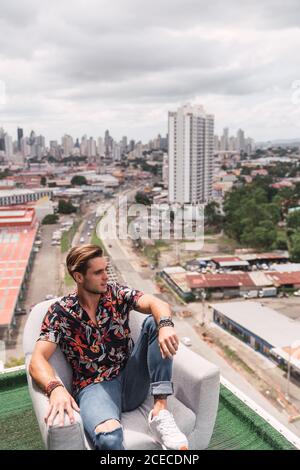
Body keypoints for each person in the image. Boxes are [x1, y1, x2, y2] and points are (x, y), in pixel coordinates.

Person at [29, 244, 189, 450]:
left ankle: (160, 411)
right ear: (79, 277)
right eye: (98, 272)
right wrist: (55, 388)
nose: (106, 276)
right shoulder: (60, 313)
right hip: (94, 387)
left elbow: (155, 303)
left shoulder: (116, 294)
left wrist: (165, 325)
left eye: (106, 269)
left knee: (154, 322)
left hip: (132, 378)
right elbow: (37, 360)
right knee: (109, 440)